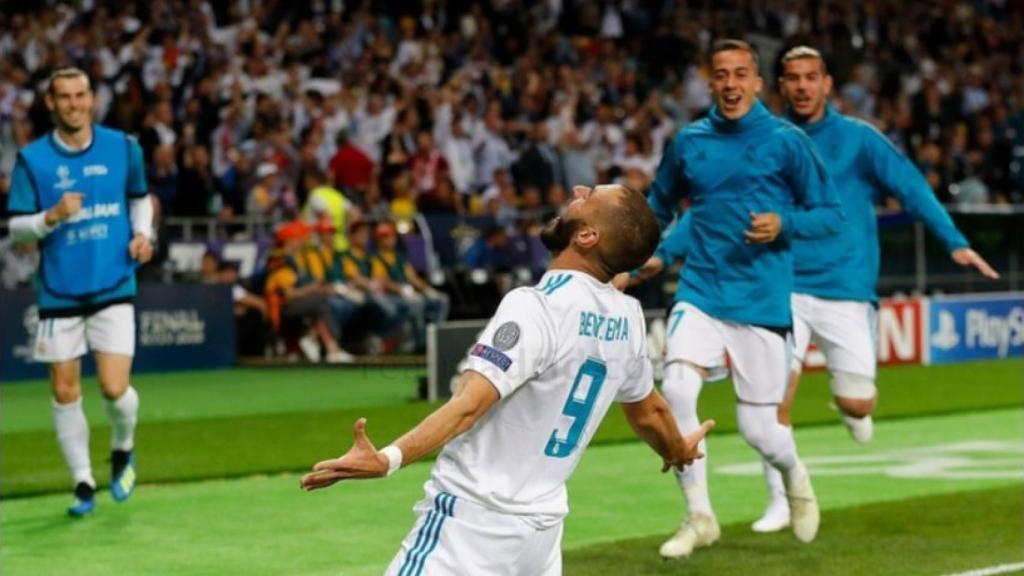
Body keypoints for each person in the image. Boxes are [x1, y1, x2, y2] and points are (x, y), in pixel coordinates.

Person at [301, 184, 714, 575]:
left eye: (588, 197)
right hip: (542, 533)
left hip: (473, 523)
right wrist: (678, 449)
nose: (577, 193)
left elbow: (468, 406)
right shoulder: (629, 318)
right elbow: (650, 412)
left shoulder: (535, 306)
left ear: (587, 236)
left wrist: (387, 459)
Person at [746, 45, 1002, 533]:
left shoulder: (858, 139)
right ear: (781, 86)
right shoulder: (769, 140)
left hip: (846, 287)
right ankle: (783, 499)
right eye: (792, 78)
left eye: (811, 77)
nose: (802, 86)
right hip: (784, 284)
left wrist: (954, 241)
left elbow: (911, 187)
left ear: (827, 84)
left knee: (857, 403)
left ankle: (852, 408)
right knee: (773, 396)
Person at [644, 39, 845, 557]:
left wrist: (785, 224)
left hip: (761, 301)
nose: (730, 84)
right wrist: (650, 254)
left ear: (757, 83)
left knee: (761, 432)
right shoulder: (690, 142)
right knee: (677, 388)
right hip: (701, 290)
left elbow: (830, 215)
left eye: (740, 74)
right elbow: (659, 206)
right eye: (721, 74)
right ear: (709, 82)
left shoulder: (787, 141)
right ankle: (699, 516)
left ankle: (794, 475)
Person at [5, 67, 154, 517]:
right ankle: (83, 482)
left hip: (114, 281)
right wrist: (50, 216)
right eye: (64, 97)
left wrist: (144, 234)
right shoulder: (33, 159)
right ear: (51, 103)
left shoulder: (123, 147)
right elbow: (16, 229)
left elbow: (139, 198)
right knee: (65, 390)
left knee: (114, 387)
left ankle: (123, 447)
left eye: (80, 95)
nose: (74, 104)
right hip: (59, 291)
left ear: (92, 98)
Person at [371, 221, 450, 353]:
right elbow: (382, 281)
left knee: (441, 300)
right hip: (391, 295)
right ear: (378, 240)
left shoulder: (399, 257)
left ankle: (435, 338)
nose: (389, 239)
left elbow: (412, 278)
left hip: (409, 294)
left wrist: (428, 290)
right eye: (384, 237)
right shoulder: (375, 258)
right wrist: (401, 289)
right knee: (416, 302)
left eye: (391, 236)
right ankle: (421, 344)